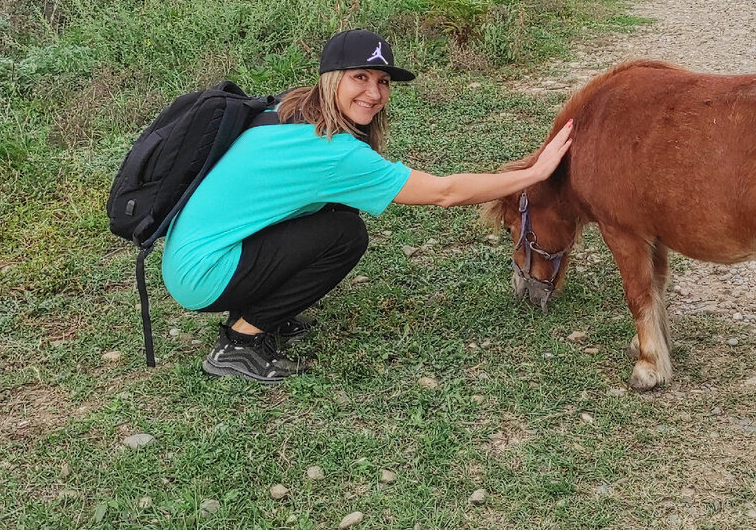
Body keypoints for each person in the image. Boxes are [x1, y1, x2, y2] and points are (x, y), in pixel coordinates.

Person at [161, 28, 573, 383]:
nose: (374, 94)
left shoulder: (292, 108)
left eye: (382, 81)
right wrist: (534, 173)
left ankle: (259, 308)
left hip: (197, 255)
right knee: (345, 235)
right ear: (332, 79)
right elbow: (444, 192)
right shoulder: (332, 152)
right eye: (360, 77)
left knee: (338, 211)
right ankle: (239, 342)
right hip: (204, 274)